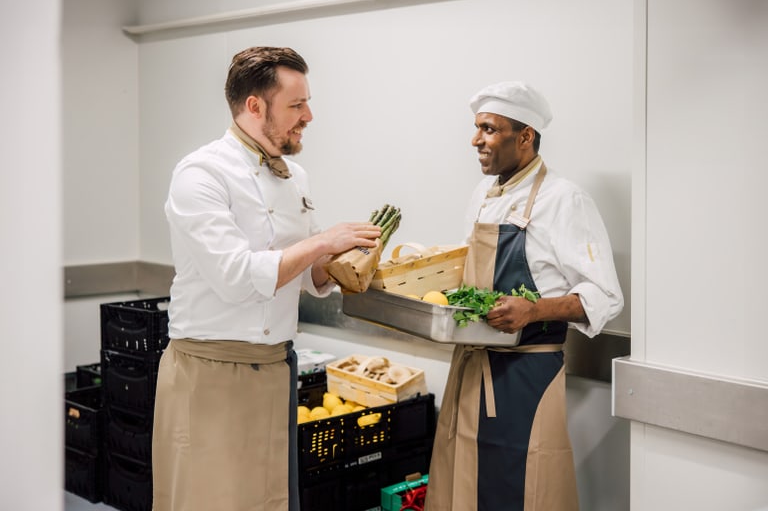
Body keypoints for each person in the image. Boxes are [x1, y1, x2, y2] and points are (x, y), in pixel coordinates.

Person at [152, 46, 381, 511]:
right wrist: (321, 242)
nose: (309, 116)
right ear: (254, 106)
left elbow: (303, 273)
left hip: (276, 368)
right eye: (296, 105)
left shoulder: (294, 175)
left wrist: (342, 260)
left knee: (271, 499)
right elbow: (236, 276)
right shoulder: (200, 174)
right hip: (210, 373)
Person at [424, 81, 624, 511]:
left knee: (522, 485)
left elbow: (605, 295)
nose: (476, 139)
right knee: (464, 481)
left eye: (489, 129)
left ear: (526, 136)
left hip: (526, 376)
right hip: (471, 367)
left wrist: (534, 310)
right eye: (477, 128)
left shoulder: (564, 199)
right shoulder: (483, 194)